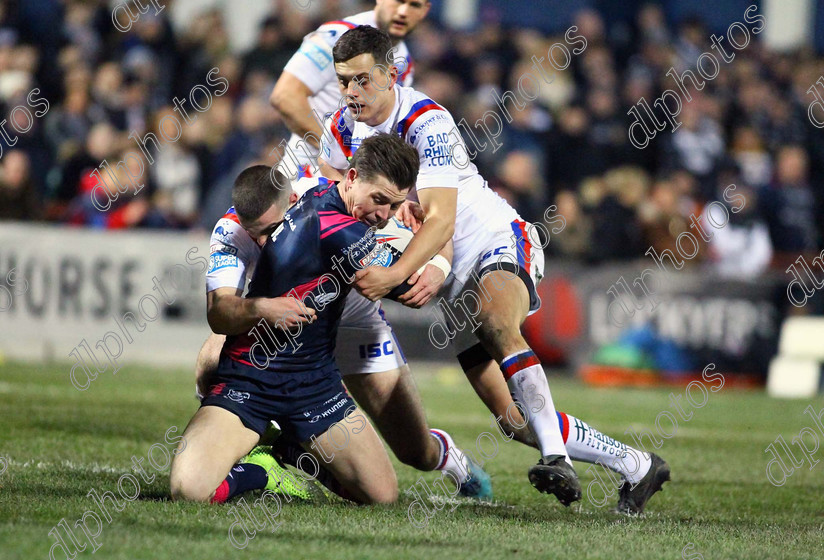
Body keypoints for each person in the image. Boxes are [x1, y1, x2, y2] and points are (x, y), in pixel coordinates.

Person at [319, 25, 670, 511]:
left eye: (361, 80)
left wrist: (397, 273)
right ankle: (636, 465)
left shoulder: (426, 121)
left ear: (389, 73)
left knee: (496, 321)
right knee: (512, 419)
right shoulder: (339, 130)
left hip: (496, 242)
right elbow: (332, 201)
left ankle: (556, 457)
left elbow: (441, 220)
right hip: (449, 281)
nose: (352, 92)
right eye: (343, 81)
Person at [193, 0, 490, 501]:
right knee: (211, 362)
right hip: (299, 263)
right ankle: (275, 455)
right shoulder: (332, 58)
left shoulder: (394, 182)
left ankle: (446, 458)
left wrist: (433, 266)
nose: (353, 92)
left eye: (419, 4)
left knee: (410, 453)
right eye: (345, 82)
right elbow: (286, 98)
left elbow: (425, 229)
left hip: (354, 308)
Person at [171, 134, 484, 505]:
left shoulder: (324, 200)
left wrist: (408, 217)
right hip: (252, 379)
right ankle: (256, 471)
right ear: (351, 179)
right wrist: (438, 243)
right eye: (379, 200)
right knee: (187, 490)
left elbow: (386, 254)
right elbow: (410, 289)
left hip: (316, 383)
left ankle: (291, 451)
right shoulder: (262, 228)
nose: (383, 213)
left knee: (383, 496)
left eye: (392, 203)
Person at [270, 0, 427, 182]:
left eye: (414, 5)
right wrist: (341, 156)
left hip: (358, 186)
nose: (403, 12)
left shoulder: (405, 62)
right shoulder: (336, 35)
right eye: (398, 1)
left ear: (425, 10)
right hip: (304, 178)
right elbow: (285, 96)